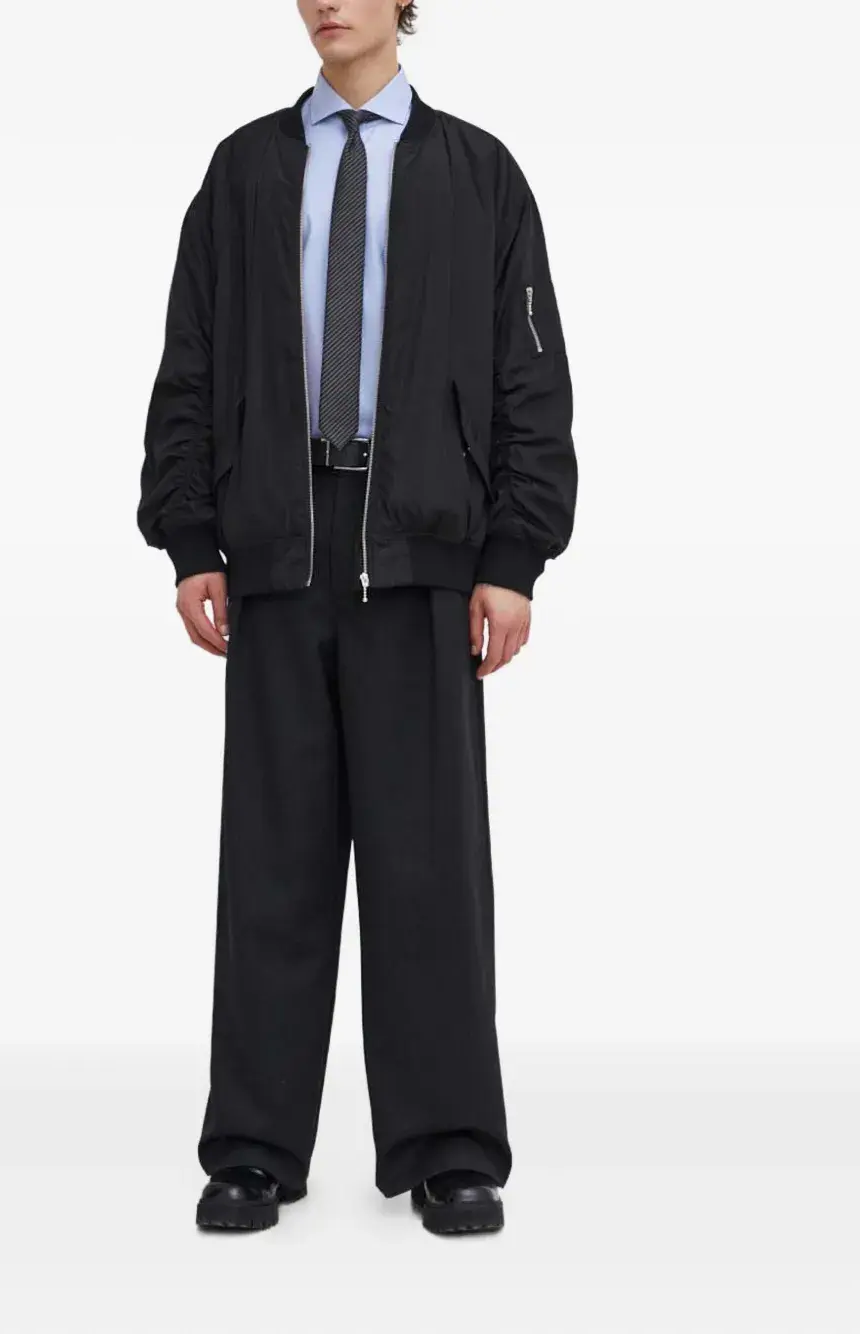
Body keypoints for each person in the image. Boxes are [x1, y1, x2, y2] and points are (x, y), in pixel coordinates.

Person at [137, 0, 577, 1236]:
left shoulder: (478, 175)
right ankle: (253, 1147)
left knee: (426, 865)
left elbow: (529, 374)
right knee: (270, 866)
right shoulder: (244, 171)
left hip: (423, 554)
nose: (327, 1)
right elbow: (190, 359)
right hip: (278, 546)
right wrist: (191, 536)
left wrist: (513, 555)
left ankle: (448, 1145)